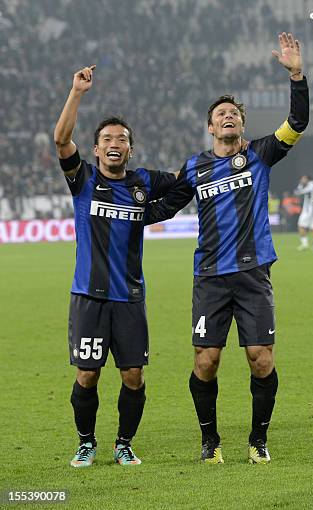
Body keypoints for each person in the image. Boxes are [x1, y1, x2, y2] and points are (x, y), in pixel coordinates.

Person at [145, 33, 308, 465]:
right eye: (221, 114)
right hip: (211, 276)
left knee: (260, 358)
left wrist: (296, 75)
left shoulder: (260, 154)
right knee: (206, 361)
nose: (228, 117)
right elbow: (166, 205)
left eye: (234, 113)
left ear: (241, 124)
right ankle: (209, 440)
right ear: (211, 127)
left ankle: (258, 440)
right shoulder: (195, 166)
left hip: (253, 275)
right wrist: (123, 214)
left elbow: (298, 122)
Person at [54, 65, 177, 467]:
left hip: (129, 298)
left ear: (130, 149)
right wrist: (77, 92)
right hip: (88, 296)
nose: (114, 144)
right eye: (106, 139)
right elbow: (60, 139)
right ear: (95, 149)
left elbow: (183, 182)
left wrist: (158, 210)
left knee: (133, 377)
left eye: (121, 140)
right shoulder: (83, 180)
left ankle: (124, 442)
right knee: (87, 376)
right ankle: (86, 441)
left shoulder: (142, 182)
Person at [295, 175, 313, 250]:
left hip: (309, 208)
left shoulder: (310, 186)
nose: (302, 180)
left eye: (303, 179)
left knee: (301, 225)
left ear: (308, 179)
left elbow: (298, 192)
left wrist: (300, 186)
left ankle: (305, 244)